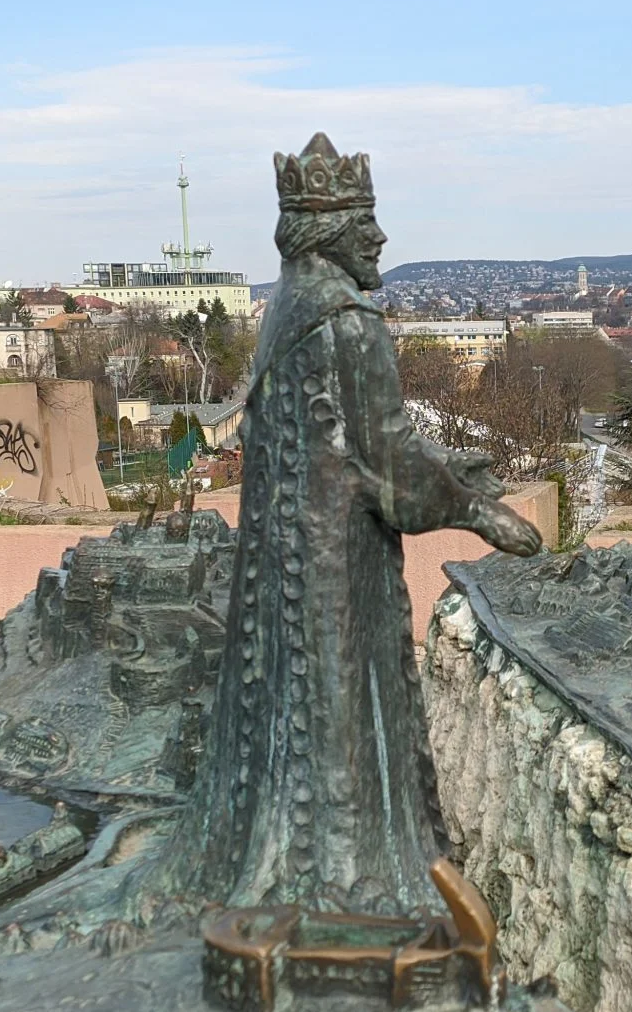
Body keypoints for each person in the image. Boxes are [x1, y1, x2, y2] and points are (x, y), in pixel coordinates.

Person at [153, 134, 541, 916]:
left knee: (290, 711)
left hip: (287, 557)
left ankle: (298, 868)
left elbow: (359, 439)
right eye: (366, 223)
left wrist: (449, 466)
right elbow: (388, 456)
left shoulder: (285, 310)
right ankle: (344, 884)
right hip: (336, 563)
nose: (380, 238)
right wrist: (479, 511)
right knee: (337, 712)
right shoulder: (350, 323)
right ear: (332, 232)